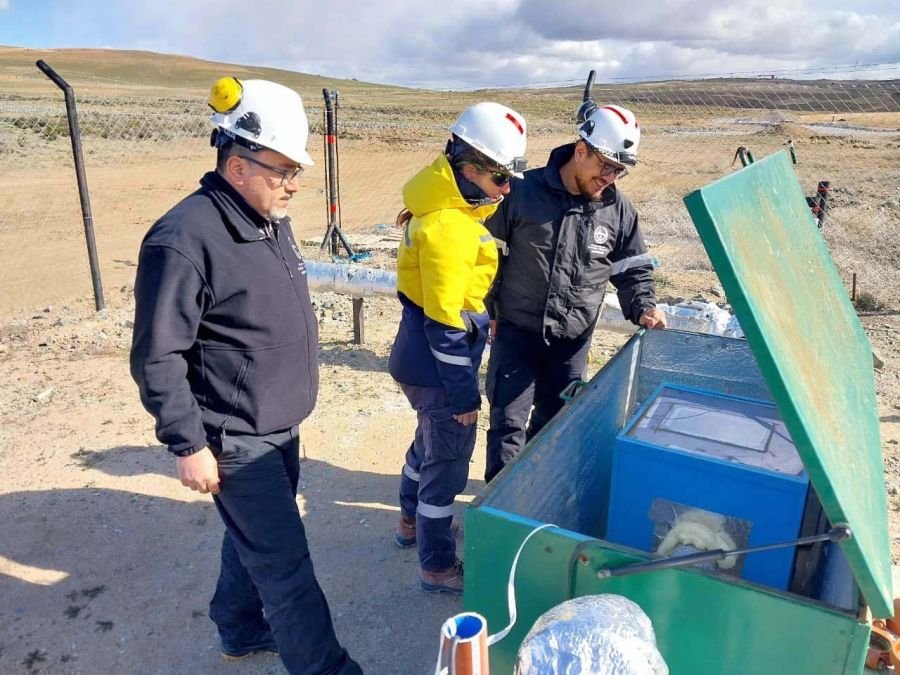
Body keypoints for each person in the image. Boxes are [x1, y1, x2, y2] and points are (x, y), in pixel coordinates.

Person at [129, 77, 362, 675]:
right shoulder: (184, 239)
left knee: (254, 537)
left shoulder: (266, 219)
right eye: (282, 171)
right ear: (237, 165)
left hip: (278, 423)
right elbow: (158, 355)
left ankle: (238, 628)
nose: (293, 185)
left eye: (296, 172)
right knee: (286, 565)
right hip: (233, 437)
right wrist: (188, 443)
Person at [483, 103, 667, 483]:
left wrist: (644, 307)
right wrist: (490, 312)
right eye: (606, 165)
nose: (611, 177)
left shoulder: (618, 210)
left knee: (554, 428)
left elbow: (632, 270)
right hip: (517, 333)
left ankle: (533, 496)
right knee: (508, 426)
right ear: (581, 150)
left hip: (572, 343)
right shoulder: (522, 193)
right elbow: (484, 257)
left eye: (619, 170)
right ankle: (499, 507)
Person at [388, 102, 528, 594]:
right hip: (437, 368)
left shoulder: (444, 212)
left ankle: (408, 521)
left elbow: (448, 301)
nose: (507, 190)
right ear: (469, 171)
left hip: (415, 360)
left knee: (427, 443)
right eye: (500, 180)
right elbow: (444, 326)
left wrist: (478, 317)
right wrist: (466, 397)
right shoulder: (449, 228)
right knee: (446, 466)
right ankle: (437, 564)